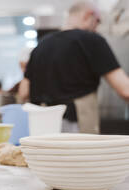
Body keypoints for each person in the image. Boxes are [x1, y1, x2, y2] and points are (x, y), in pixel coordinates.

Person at [19, 1, 129, 134]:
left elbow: (23, 92)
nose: (97, 27)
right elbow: (125, 90)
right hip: (76, 127)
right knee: (80, 155)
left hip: (44, 129)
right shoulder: (92, 40)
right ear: (88, 16)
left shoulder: (40, 46)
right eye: (98, 21)